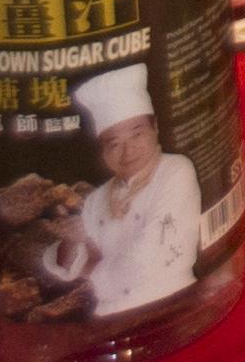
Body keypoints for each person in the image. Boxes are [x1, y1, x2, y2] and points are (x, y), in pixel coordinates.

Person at [63, 64, 204, 320]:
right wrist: (70, 244)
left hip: (175, 303)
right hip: (105, 317)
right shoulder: (97, 199)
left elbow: (152, 255)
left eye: (137, 135)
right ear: (103, 150)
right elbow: (74, 259)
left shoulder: (176, 171)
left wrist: (92, 271)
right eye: (114, 144)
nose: (128, 152)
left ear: (155, 128)